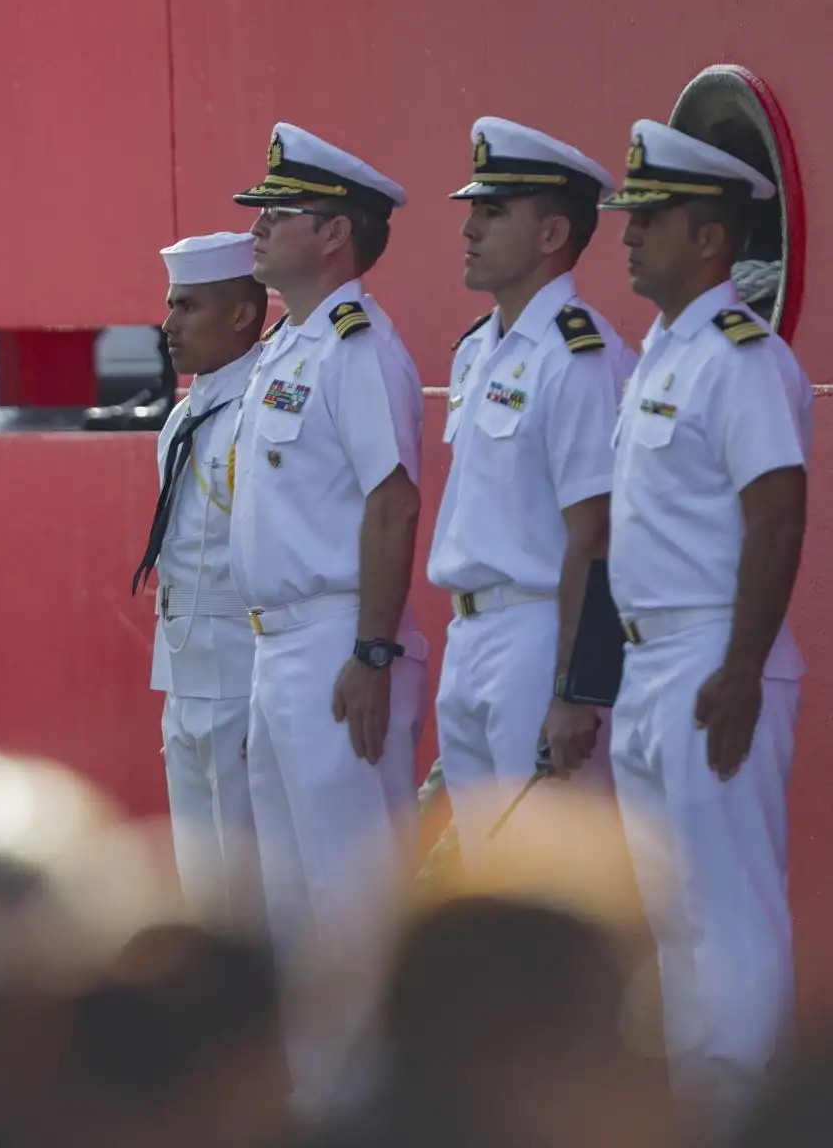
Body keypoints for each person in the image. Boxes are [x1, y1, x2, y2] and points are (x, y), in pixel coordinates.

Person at [599, 120, 810, 1127]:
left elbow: (778, 510)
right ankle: (691, 1108)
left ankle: (746, 1114)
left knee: (728, 911)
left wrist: (740, 665)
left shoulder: (741, 357)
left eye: (652, 220)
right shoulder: (661, 354)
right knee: (671, 916)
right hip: (655, 663)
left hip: (713, 656)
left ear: (713, 239)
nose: (629, 236)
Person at [225, 123, 428, 1114]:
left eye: (279, 214)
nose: (256, 229)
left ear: (335, 234)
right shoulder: (292, 345)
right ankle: (318, 1105)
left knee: (356, 901)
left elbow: (392, 499)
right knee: (290, 908)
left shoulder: (359, 347)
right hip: (279, 649)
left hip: (338, 643)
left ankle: (381, 1107)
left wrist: (373, 649)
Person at [427, 117, 635, 853]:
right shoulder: (479, 349)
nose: (471, 228)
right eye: (474, 209)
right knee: (485, 882)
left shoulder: (578, 355)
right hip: (472, 635)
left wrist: (575, 687)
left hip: (539, 633)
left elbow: (597, 530)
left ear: (552, 235)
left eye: (494, 211)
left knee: (548, 871)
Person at [131, 231, 268, 922]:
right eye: (170, 305)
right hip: (185, 668)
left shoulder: (263, 408)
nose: (168, 324)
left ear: (242, 314)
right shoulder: (189, 411)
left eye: (188, 307)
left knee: (252, 886)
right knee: (202, 887)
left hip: (244, 667)